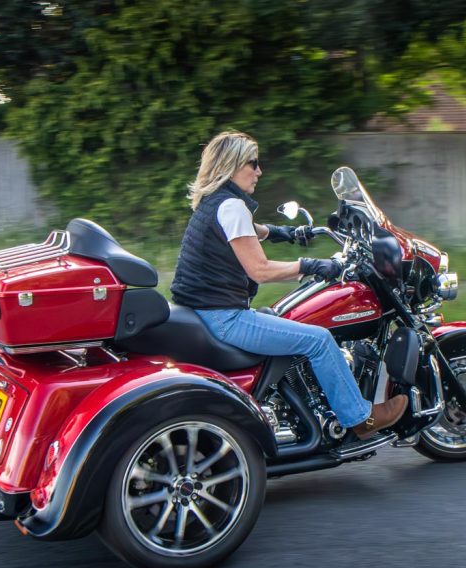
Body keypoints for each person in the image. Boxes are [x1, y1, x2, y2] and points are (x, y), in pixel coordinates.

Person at [170, 130, 407, 441]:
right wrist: (315, 265)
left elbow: (252, 230)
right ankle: (361, 418)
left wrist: (290, 233)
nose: (259, 171)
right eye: (252, 163)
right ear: (231, 165)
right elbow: (260, 270)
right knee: (319, 339)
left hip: (204, 312)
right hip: (225, 318)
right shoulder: (231, 206)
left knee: (288, 317)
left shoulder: (215, 202)